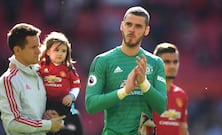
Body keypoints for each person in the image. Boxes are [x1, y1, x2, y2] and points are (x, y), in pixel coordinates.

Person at [85, 6, 167, 135]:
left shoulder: (156, 63)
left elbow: (161, 107)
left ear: (146, 31)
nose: (132, 30)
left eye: (138, 26)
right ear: (121, 26)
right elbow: (91, 105)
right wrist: (125, 91)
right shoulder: (103, 60)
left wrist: (143, 84)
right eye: (129, 24)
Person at [0, 23, 65, 135]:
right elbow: (12, 122)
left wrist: (49, 116)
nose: (39, 51)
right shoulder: (9, 80)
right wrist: (48, 124)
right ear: (17, 50)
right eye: (33, 47)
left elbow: (35, 115)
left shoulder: (40, 73)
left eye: (38, 46)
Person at [39, 31, 83, 135]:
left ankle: (62, 125)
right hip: (45, 105)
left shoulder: (69, 70)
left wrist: (71, 96)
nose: (60, 53)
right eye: (56, 50)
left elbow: (76, 86)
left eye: (64, 51)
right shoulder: (41, 66)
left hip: (63, 105)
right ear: (48, 51)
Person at [152, 42, 190, 135]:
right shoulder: (147, 93)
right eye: (167, 62)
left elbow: (183, 128)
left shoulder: (181, 95)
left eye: (175, 62)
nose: (172, 66)